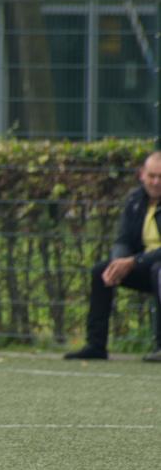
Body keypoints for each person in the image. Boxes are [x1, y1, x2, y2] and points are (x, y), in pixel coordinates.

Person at [65, 151, 161, 362]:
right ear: (142, 175)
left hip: (155, 267)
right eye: (152, 176)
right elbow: (123, 239)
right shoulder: (135, 200)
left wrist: (133, 262)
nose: (155, 182)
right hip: (143, 265)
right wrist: (118, 262)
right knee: (102, 271)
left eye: (160, 177)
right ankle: (96, 346)